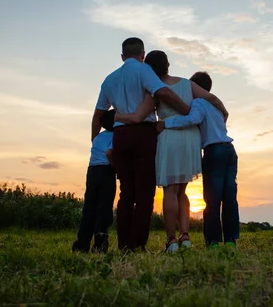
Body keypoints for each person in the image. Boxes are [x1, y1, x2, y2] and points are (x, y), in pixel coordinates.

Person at [94, 38, 227, 252]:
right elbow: (211, 98)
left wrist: (119, 117)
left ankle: (170, 239)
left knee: (166, 191)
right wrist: (224, 113)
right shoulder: (187, 83)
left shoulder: (154, 90)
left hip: (167, 137)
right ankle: (185, 236)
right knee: (182, 191)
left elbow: (137, 115)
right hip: (190, 139)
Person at [156, 72, 239, 248]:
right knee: (230, 197)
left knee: (212, 198)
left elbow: (192, 119)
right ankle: (231, 240)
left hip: (214, 151)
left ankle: (214, 241)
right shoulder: (215, 106)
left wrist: (165, 124)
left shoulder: (198, 103)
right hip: (229, 150)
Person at [72, 109, 116, 253]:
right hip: (106, 171)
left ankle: (81, 244)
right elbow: (110, 154)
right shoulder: (115, 136)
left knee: (89, 208)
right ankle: (100, 245)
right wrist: (119, 169)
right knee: (104, 210)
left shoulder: (98, 137)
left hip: (92, 171)